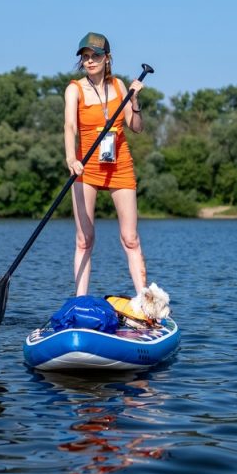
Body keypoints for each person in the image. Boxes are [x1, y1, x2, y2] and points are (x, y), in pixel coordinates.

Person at [64, 32, 147, 298]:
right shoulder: (74, 89)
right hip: (86, 167)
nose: (90, 61)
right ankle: (79, 303)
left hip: (119, 165)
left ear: (107, 58)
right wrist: (70, 159)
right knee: (84, 240)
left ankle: (146, 303)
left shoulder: (120, 86)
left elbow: (136, 128)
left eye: (95, 56)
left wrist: (134, 101)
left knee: (130, 239)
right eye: (85, 57)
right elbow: (69, 127)